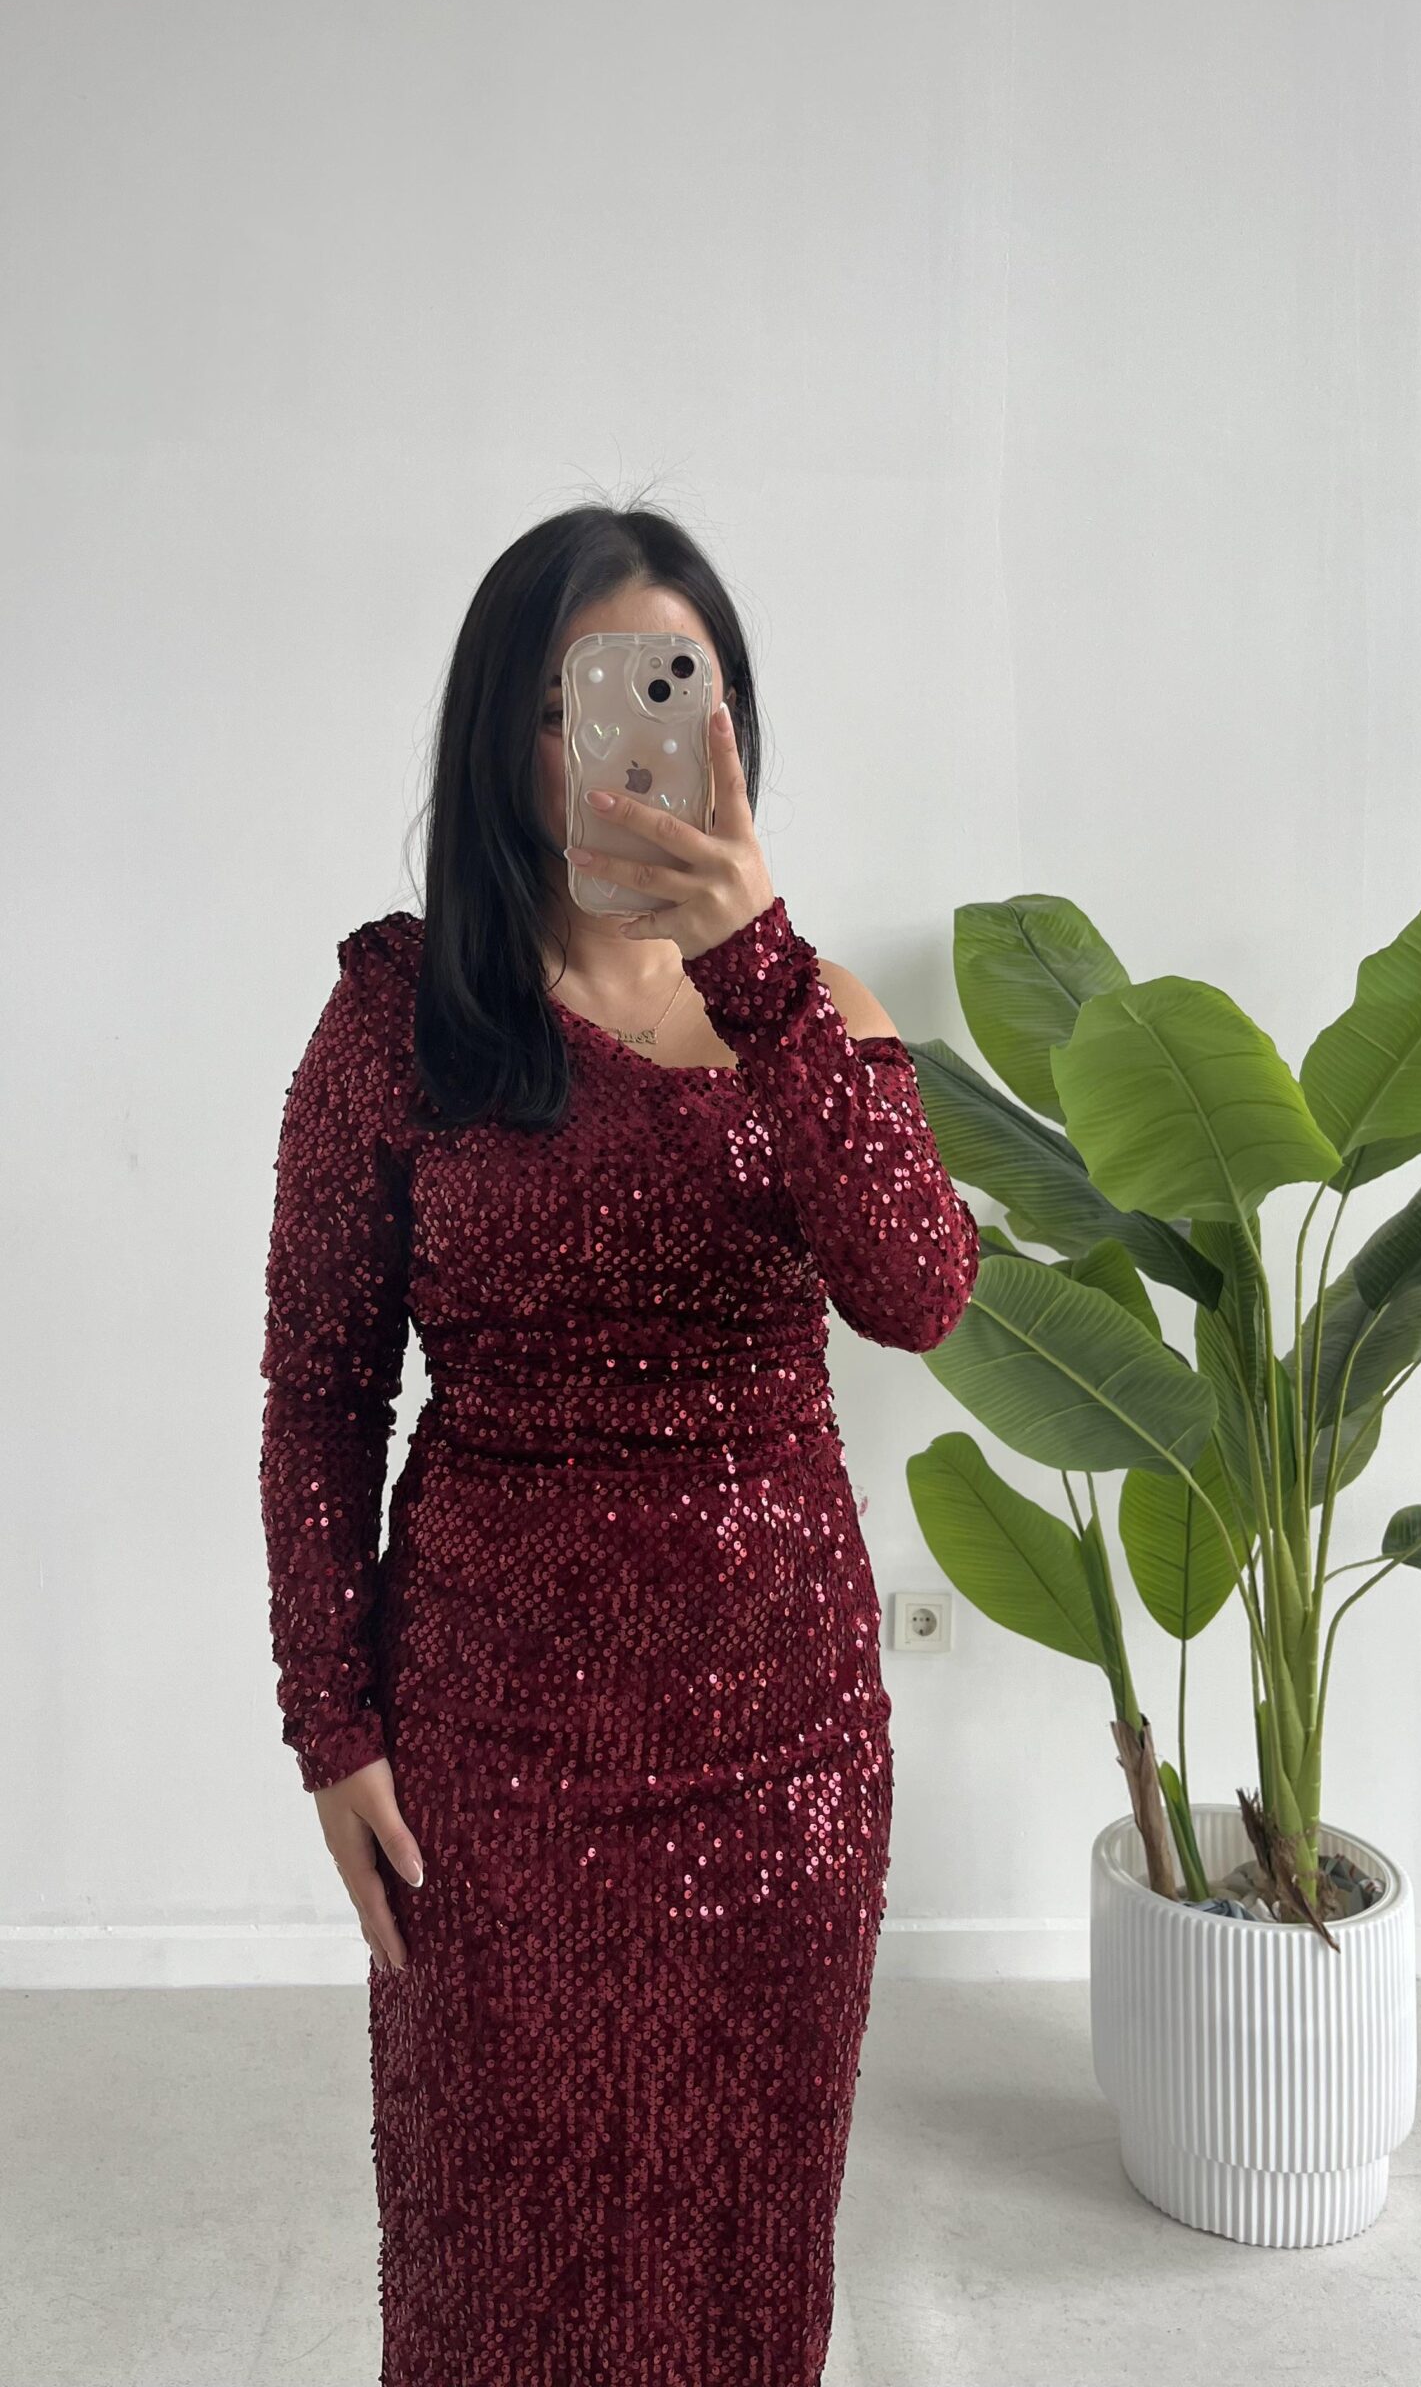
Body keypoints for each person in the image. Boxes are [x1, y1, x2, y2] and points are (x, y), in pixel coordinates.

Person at [258, 503, 980, 2385]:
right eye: (583, 700)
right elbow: (321, 1395)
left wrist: (760, 968)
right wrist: (331, 1720)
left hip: (780, 1755)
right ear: (511, 736)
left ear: (733, 726)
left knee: (738, 2249)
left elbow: (919, 1294)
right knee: (497, 2254)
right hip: (491, 1749)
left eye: (684, 688)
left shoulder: (816, 1015)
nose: (634, 741)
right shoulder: (398, 1022)